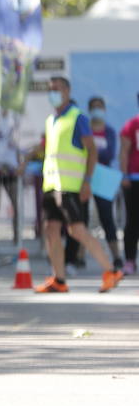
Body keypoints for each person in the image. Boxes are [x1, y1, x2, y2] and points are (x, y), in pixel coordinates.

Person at [33, 76, 123, 294]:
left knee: (77, 231)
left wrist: (87, 181)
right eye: (50, 89)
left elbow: (91, 150)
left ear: (67, 91)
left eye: (57, 89)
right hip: (51, 184)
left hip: (70, 185)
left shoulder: (78, 118)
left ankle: (111, 271)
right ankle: (59, 279)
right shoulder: (51, 120)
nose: (53, 93)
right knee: (51, 229)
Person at [85, 96, 124, 273]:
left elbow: (109, 154)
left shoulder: (108, 131)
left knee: (107, 218)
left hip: (103, 179)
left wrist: (93, 153)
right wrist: (94, 154)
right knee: (82, 220)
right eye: (94, 107)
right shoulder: (85, 129)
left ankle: (116, 257)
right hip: (85, 177)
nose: (97, 110)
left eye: (100, 107)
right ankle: (78, 257)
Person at [119, 93, 139, 276]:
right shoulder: (132, 125)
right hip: (134, 180)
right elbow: (124, 150)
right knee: (133, 222)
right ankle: (130, 260)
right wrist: (124, 175)